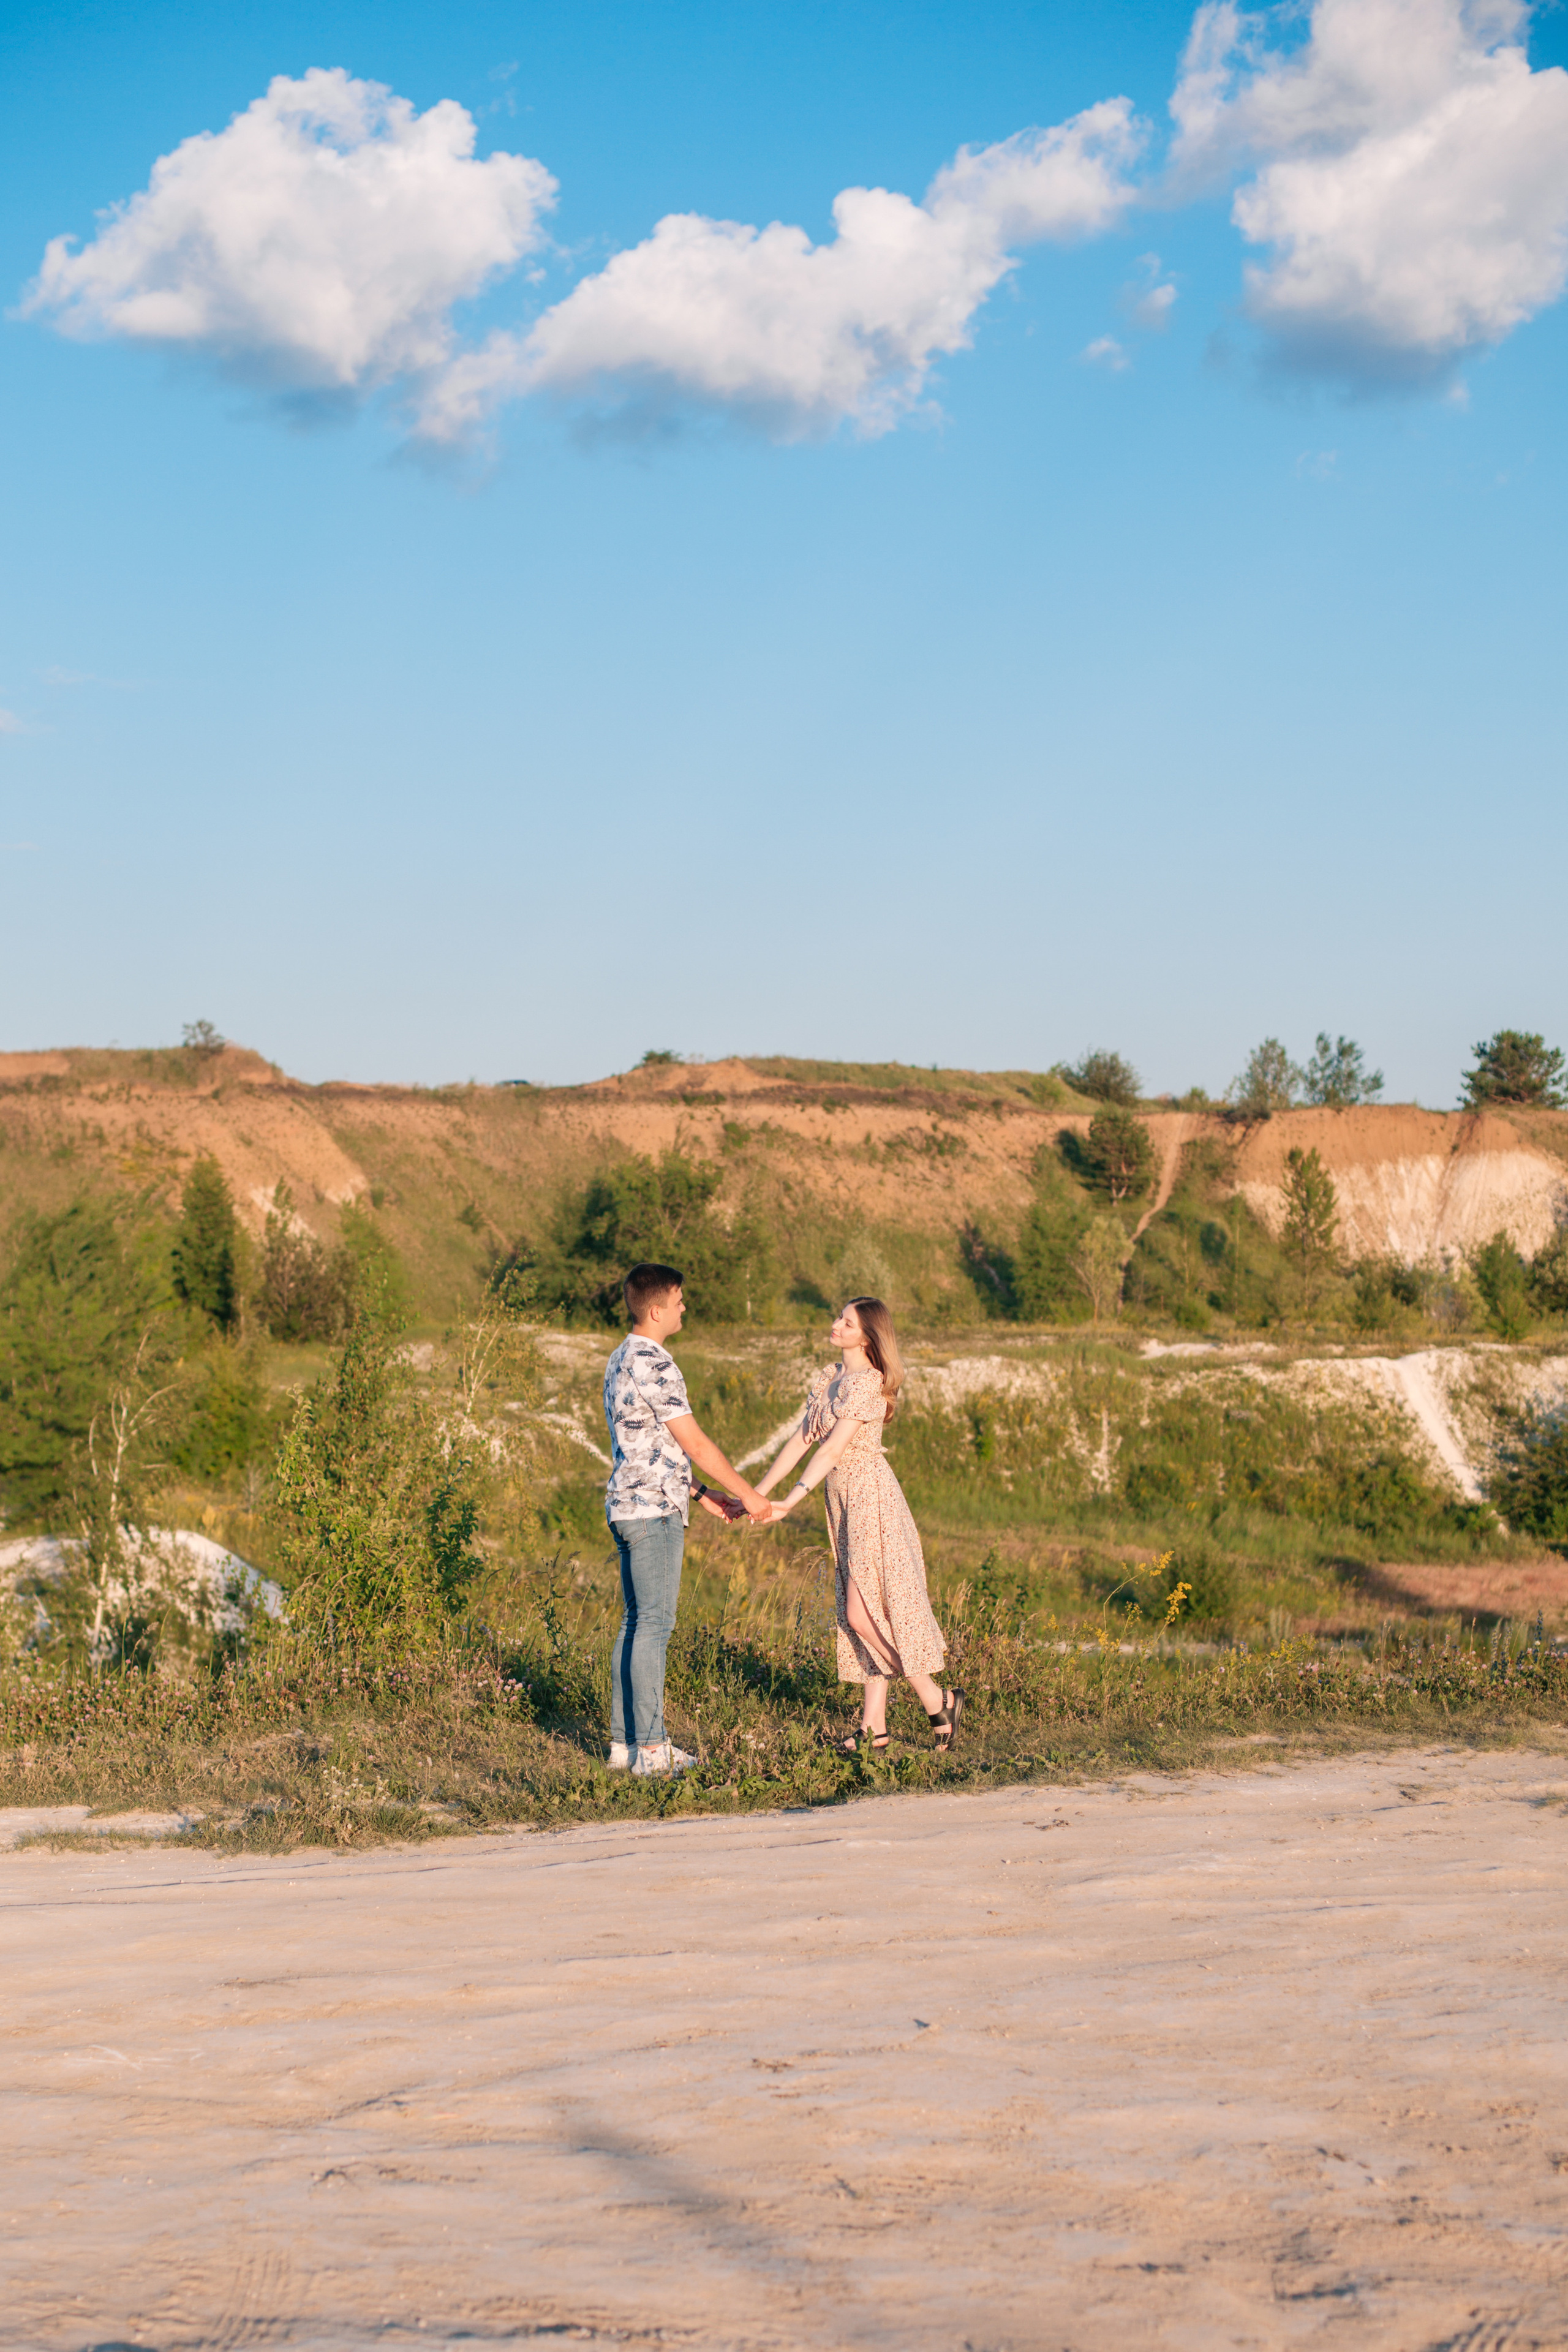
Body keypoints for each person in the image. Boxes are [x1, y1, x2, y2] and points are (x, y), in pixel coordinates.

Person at [755, 1296, 962, 1754]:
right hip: (841, 1501)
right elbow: (802, 1439)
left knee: (860, 1613)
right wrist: (758, 1493)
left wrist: (789, 1501)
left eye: (846, 1323)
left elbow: (830, 1451)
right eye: (838, 1317)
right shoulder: (832, 1378)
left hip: (870, 1498)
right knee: (866, 1614)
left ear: (867, 1336)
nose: (835, 1325)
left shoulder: (868, 1383)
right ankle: (874, 1727)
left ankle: (937, 1697)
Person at [603, 1262, 771, 1777]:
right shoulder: (656, 1361)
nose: (684, 1308)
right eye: (678, 1302)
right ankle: (652, 1752)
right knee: (654, 1625)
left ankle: (622, 1747)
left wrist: (702, 1495)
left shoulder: (620, 1357)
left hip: (632, 1504)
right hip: (653, 1514)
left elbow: (647, 1446)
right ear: (656, 1310)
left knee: (637, 1624)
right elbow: (692, 1442)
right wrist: (751, 1496)